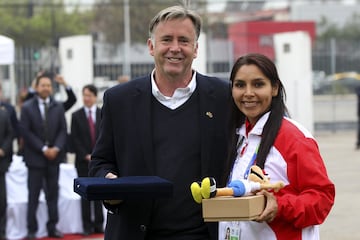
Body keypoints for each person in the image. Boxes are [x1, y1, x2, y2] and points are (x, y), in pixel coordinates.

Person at [88, 5, 231, 240]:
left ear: (195, 49)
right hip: (136, 233)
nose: (175, 48)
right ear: (151, 46)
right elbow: (101, 162)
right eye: (166, 40)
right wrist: (108, 183)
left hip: (204, 234)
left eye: (184, 41)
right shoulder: (118, 100)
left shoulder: (223, 97)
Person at [219, 53, 335, 240]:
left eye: (258, 84)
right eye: (240, 85)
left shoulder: (294, 138)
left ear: (274, 88)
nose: (248, 93)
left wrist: (280, 206)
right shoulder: (239, 135)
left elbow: (322, 198)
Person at [20, 72, 67, 239]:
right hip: (35, 159)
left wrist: (57, 148)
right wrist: (42, 149)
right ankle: (31, 230)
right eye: (43, 85)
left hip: (54, 159)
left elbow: (63, 130)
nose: (46, 88)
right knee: (33, 195)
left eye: (48, 85)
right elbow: (25, 131)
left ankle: (52, 227)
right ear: (37, 87)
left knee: (52, 195)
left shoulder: (58, 106)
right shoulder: (27, 107)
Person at [71, 84, 104, 236]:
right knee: (85, 195)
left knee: (99, 193)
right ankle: (86, 226)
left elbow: (104, 137)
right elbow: (75, 139)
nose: (87, 98)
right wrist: (85, 154)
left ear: (95, 97)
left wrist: (97, 155)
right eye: (84, 95)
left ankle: (98, 224)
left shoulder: (102, 113)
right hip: (82, 161)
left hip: (99, 162)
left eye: (89, 95)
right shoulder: (76, 116)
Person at [0, 107, 13, 240]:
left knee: (2, 201)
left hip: (0, 166)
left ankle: (2, 231)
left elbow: (10, 134)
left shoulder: (3, 114)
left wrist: (3, 149)